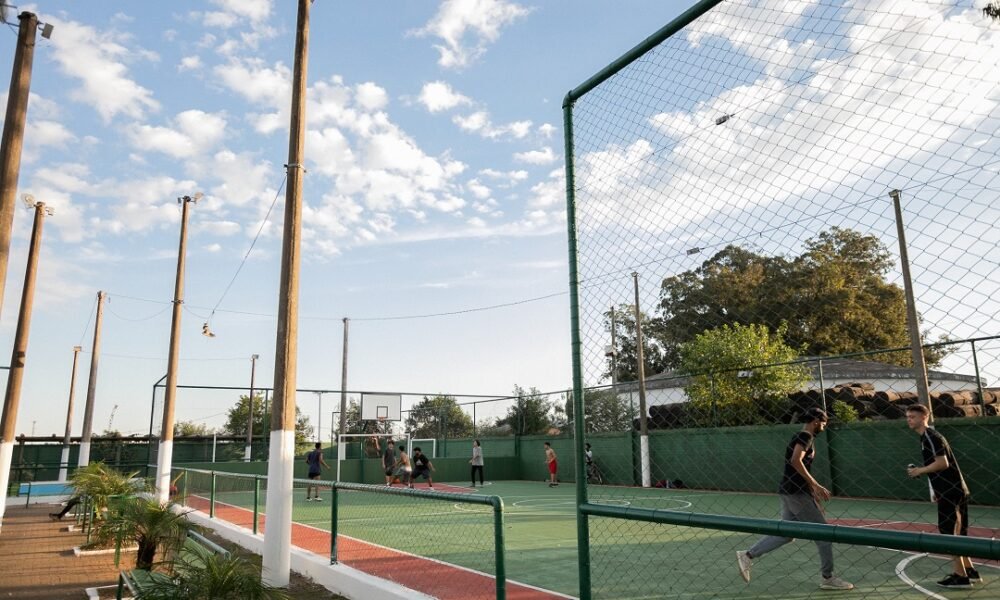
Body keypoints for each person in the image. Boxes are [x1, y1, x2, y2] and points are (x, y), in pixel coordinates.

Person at [736, 407, 853, 591]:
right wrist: (815, 484)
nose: (824, 426)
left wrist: (811, 493)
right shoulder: (806, 437)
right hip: (795, 493)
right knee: (824, 535)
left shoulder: (799, 436)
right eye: (824, 423)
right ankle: (827, 577)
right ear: (816, 421)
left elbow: (796, 468)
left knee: (787, 534)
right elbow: (795, 461)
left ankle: (748, 555)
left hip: (791, 490)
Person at [906, 404, 980, 588]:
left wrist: (919, 471)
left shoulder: (931, 436)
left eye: (913, 416)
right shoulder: (926, 438)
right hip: (952, 489)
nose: (909, 419)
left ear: (925, 417)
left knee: (948, 532)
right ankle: (969, 570)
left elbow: (942, 463)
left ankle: (960, 576)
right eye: (907, 416)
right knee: (958, 532)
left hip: (950, 490)